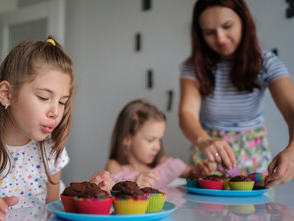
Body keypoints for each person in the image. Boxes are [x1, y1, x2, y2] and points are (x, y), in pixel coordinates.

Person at [0, 36, 113, 221]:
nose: (56, 112)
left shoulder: (50, 151)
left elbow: (53, 218)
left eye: (62, 102)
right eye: (43, 97)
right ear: (6, 94)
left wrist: (89, 195)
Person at [178, 0, 294, 187]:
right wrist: (203, 140)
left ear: (244, 21)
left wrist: (293, 150)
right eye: (209, 33)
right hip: (209, 156)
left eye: (227, 26)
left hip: (254, 154)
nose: (221, 38)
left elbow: (291, 110)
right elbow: (186, 114)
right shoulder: (193, 68)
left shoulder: (268, 63)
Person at [105, 99, 216, 189]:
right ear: (127, 139)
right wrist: (135, 185)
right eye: (151, 140)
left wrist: (199, 170)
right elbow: (113, 195)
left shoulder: (161, 163)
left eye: (159, 140)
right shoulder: (115, 166)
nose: (157, 147)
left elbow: (190, 173)